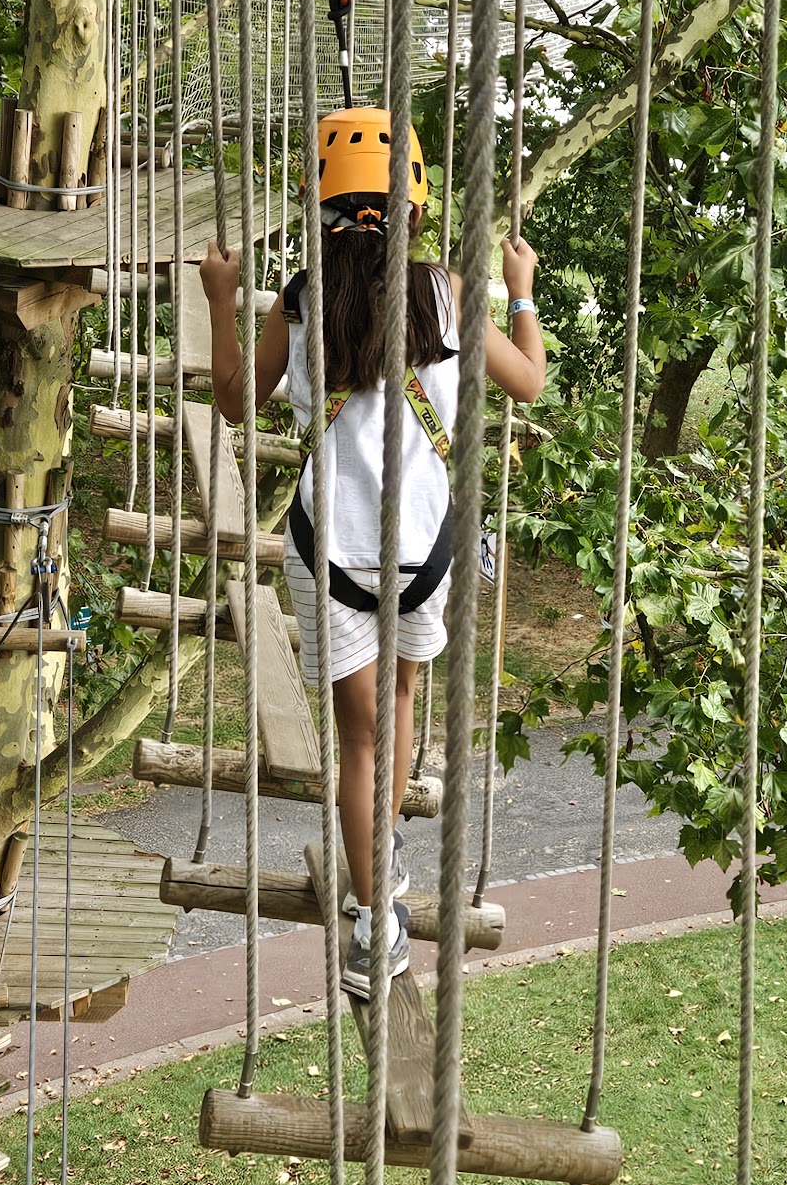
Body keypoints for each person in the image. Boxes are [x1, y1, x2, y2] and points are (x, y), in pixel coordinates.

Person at [199, 105, 545, 998]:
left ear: (319, 209)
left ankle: (372, 923)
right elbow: (531, 382)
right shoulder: (449, 295)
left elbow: (234, 401)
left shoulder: (302, 300)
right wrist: (519, 289)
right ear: (415, 210)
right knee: (399, 704)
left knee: (358, 743)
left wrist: (218, 302)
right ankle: (378, 859)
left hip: (331, 554)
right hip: (423, 551)